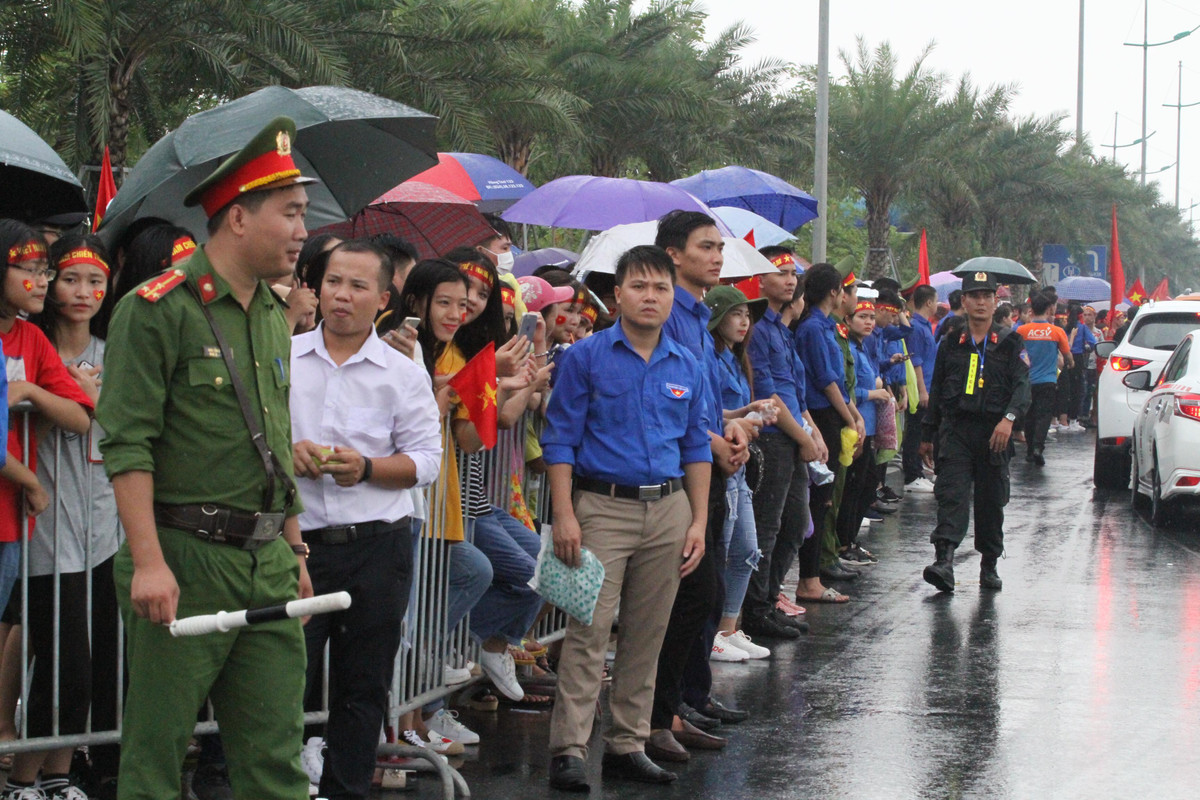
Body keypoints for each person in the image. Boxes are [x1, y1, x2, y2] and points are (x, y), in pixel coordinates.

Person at [97, 117, 316, 800]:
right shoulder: (156, 309)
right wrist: (151, 562)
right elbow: (127, 443)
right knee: (157, 761)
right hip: (183, 556)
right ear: (239, 218)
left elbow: (274, 445)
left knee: (274, 759)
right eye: (291, 213)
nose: (303, 230)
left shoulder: (271, 316)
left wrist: (295, 550)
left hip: (267, 561)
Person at [543, 245, 711, 792]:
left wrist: (698, 521)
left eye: (660, 288)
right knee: (588, 630)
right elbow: (560, 439)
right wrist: (564, 514)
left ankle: (627, 743)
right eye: (639, 286)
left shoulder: (687, 363)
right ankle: (569, 748)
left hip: (669, 509)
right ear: (618, 294)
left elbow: (696, 449)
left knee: (648, 633)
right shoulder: (586, 357)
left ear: (671, 296)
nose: (650, 297)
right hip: (599, 508)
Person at [290, 239, 442, 800]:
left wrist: (371, 468)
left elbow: (427, 460)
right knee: (284, 681)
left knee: (364, 684)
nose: (342, 297)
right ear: (317, 287)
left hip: (379, 548)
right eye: (333, 282)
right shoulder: (283, 359)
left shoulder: (401, 375)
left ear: (382, 299)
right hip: (298, 546)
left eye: (357, 287)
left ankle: (345, 790)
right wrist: (290, 452)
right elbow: (253, 441)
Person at [4, 235, 123, 800]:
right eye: (69, 278)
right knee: (59, 663)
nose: (81, 292)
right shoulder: (31, 344)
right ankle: (22, 778)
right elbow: (35, 427)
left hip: (104, 526)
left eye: (94, 281)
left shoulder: (116, 350)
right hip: (43, 523)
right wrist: (65, 397)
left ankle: (56, 775)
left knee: (90, 667)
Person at [919, 271, 1030, 593]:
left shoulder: (1010, 342)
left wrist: (1009, 420)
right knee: (951, 494)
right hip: (956, 430)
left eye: (987, 296)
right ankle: (944, 561)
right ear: (964, 301)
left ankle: (989, 563)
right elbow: (937, 388)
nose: (981, 302)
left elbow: (1023, 389)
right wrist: (927, 434)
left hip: (995, 434)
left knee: (990, 501)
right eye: (974, 296)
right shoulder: (952, 340)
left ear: (996, 302)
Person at [744, 249, 828, 621]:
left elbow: (794, 389)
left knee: (795, 524)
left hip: (794, 435)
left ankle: (769, 595)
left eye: (793, 274)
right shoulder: (758, 330)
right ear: (760, 281)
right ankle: (756, 607)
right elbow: (769, 396)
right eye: (781, 274)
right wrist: (804, 437)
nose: (790, 280)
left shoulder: (782, 329)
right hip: (775, 437)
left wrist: (814, 432)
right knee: (768, 525)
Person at [703, 284, 775, 661]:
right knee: (724, 546)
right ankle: (714, 632)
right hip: (721, 460)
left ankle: (729, 628)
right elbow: (710, 415)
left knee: (747, 548)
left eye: (748, 315)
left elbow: (727, 412)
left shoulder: (735, 359)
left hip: (738, 461)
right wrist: (741, 417)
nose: (745, 321)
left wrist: (750, 411)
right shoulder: (709, 357)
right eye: (736, 313)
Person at [1016, 293, 1071, 466]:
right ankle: (1038, 447)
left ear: (1031, 310)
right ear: (1049, 309)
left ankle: (1031, 449)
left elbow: (1016, 352)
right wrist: (1071, 363)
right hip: (1048, 380)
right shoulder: (1057, 332)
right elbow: (1067, 356)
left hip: (1027, 380)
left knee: (1030, 415)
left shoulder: (1022, 331)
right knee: (1044, 415)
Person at [902, 284, 939, 493]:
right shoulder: (916, 327)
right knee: (915, 430)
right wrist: (922, 390)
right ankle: (912, 475)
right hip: (920, 387)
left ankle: (918, 470)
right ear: (928, 302)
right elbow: (916, 362)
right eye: (935, 300)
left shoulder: (925, 326)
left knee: (920, 429)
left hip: (927, 385)